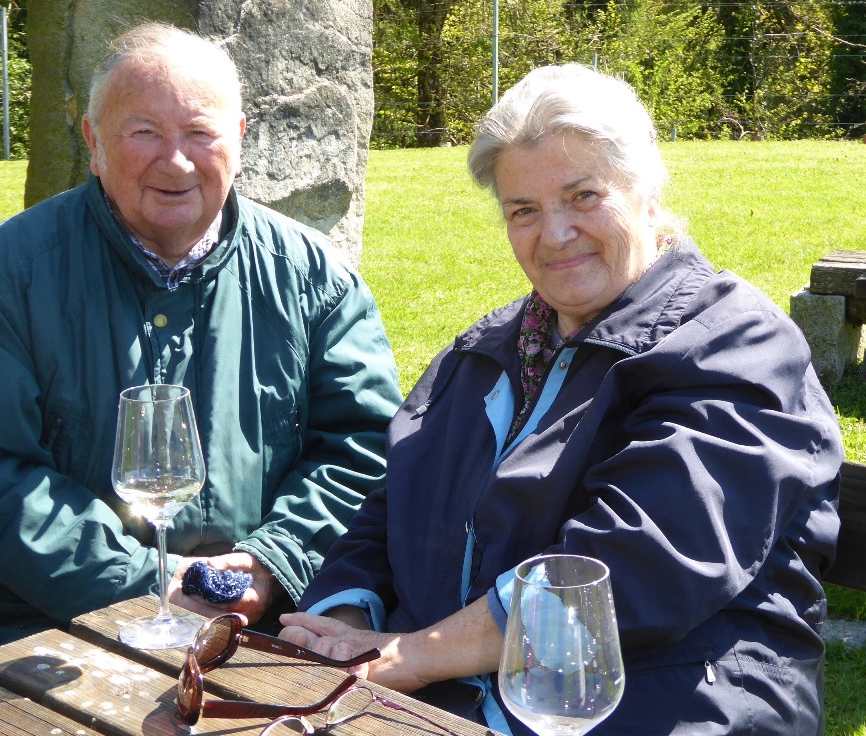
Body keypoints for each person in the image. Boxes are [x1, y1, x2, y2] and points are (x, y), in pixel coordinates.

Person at [278, 64, 844, 735]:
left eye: (582, 197)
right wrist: (346, 624)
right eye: (523, 210)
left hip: (662, 705)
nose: (553, 234)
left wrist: (414, 656)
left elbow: (633, 567)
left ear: (646, 194)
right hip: (460, 700)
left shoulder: (731, 345)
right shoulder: (485, 351)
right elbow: (390, 505)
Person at [0, 23, 403, 654]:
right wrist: (150, 583)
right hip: (53, 631)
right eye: (144, 132)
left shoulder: (313, 278)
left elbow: (365, 446)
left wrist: (272, 562)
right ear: (93, 141)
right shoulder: (5, 277)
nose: (176, 160)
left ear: (241, 140)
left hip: (267, 628)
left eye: (200, 132)